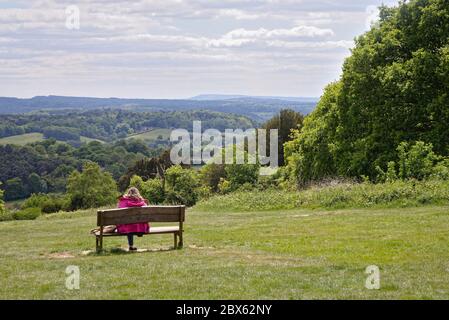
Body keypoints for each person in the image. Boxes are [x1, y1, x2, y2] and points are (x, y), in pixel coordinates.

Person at [117, 187, 150, 251]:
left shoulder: (123, 201)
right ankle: (139, 232)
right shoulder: (142, 201)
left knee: (129, 226)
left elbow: (119, 213)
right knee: (134, 224)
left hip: (127, 227)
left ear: (128, 193)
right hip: (141, 227)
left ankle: (131, 245)